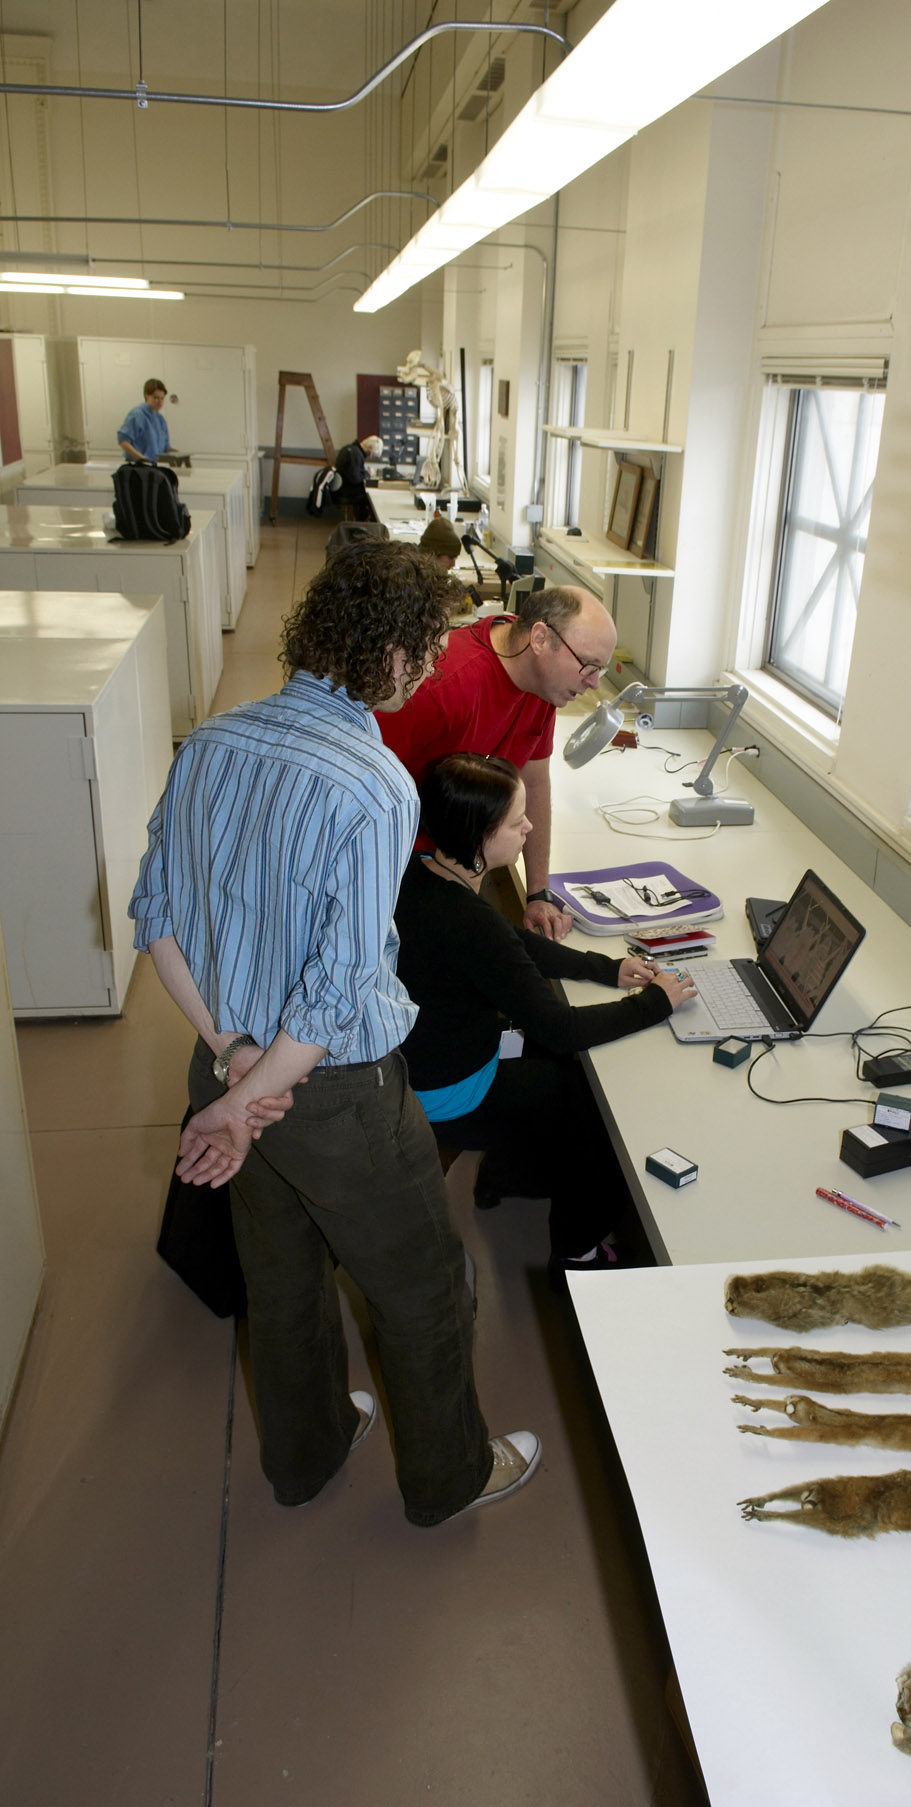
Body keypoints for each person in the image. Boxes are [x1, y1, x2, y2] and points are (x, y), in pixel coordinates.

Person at [128, 541, 539, 1525]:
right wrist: (253, 1090)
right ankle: (449, 1478)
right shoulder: (376, 783)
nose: (437, 665)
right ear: (394, 652)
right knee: (426, 1287)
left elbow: (158, 917)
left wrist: (228, 1070)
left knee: (282, 1281)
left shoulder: (213, 742)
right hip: (333, 1093)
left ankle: (304, 1457)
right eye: (432, 646)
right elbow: (335, 992)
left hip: (224, 1062)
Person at [394, 753, 697, 1276]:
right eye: (517, 822)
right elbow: (561, 1031)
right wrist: (655, 1003)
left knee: (554, 1075)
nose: (530, 828)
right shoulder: (467, 921)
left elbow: (514, 943)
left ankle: (506, 1175)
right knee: (593, 1112)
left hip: (416, 1065)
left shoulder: (422, 875)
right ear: (480, 836)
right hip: (450, 1092)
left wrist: (606, 968)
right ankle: (577, 1251)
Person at [377, 584, 618, 940]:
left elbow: (534, 782)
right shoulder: (443, 686)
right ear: (539, 639)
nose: (595, 683)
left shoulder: (543, 685)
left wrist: (538, 894)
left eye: (602, 670)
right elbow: (357, 781)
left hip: (454, 865)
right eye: (588, 666)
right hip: (398, 870)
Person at [117, 377, 177, 464]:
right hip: (139, 466)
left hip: (154, 465)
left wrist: (178, 454)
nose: (159, 402)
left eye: (162, 398)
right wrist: (143, 459)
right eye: (156, 397)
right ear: (146, 395)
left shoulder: (160, 419)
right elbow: (123, 441)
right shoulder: (137, 415)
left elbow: (165, 447)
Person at [334, 432, 383, 520]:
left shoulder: (350, 449)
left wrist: (365, 473)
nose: (370, 457)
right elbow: (355, 479)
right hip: (347, 491)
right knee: (370, 499)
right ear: (369, 448)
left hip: (343, 487)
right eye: (371, 454)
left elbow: (354, 472)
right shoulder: (355, 454)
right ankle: (362, 525)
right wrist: (368, 474)